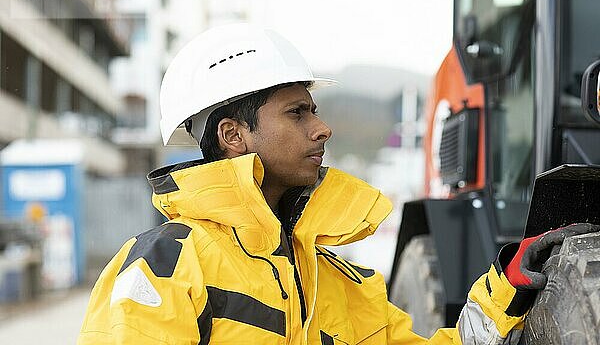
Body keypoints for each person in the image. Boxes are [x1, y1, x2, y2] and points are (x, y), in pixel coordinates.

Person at [78, 24, 599, 344]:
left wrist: (504, 289)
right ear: (234, 135)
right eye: (297, 112)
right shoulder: (162, 270)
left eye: (316, 109)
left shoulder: (333, 280)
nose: (321, 127)